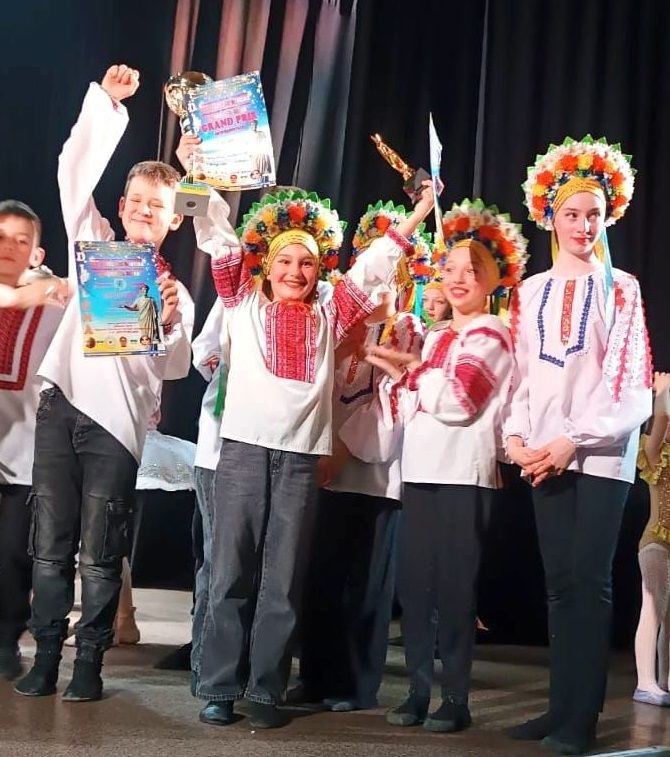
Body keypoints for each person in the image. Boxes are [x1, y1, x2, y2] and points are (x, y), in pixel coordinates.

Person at [186, 172, 434, 729]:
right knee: (230, 572)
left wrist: (419, 213)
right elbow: (218, 235)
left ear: (319, 271)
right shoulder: (242, 303)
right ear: (266, 267)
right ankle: (220, 687)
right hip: (243, 453)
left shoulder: (331, 315)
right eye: (284, 261)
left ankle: (265, 690)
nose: (295, 271)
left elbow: (376, 262)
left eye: (306, 263)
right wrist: (198, 170)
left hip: (299, 459)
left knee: (283, 580)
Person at [15, 64, 194, 703]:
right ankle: (45, 659)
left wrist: (168, 324)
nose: (145, 211)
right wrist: (108, 107)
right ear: (121, 208)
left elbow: (175, 368)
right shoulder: (91, 245)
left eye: (158, 206)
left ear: (173, 220)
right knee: (49, 547)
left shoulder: (175, 292)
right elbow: (72, 172)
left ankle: (89, 663)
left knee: (100, 550)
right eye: (137, 201)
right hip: (60, 407)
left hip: (116, 427)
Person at [342, 197, 528, 734]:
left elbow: (460, 400)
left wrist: (413, 372)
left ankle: (456, 698)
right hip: (421, 471)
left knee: (454, 590)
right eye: (451, 269)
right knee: (414, 587)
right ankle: (418, 692)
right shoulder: (440, 334)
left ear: (491, 280)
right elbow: (419, 398)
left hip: (463, 476)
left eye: (472, 270)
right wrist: (397, 368)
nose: (458, 278)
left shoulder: (491, 333)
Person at [504, 136, 652, 755]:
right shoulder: (530, 291)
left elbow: (629, 384)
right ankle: (560, 706)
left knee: (589, 581)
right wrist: (516, 437)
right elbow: (521, 376)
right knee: (559, 583)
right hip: (544, 453)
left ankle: (580, 721)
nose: (584, 226)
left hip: (600, 455)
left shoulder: (622, 288)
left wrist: (573, 440)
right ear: (551, 217)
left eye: (594, 214)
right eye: (572, 214)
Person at [298, 201, 429, 712]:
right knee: (320, 576)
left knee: (364, 583)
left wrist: (342, 451)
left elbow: (394, 399)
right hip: (323, 466)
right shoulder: (336, 322)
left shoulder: (408, 330)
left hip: (372, 475)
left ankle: (355, 684)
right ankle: (314, 676)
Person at [0, 201, 68, 680]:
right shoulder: (37, 294)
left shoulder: (54, 307)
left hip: (24, 454)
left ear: (37, 252)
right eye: (1, 237)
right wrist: (35, 291)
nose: (9, 247)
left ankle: (5, 641)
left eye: (21, 240)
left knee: (11, 556)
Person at [633, 371, 670, 706]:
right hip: (657, 543)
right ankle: (645, 682)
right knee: (655, 607)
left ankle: (664, 680)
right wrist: (662, 394)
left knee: (665, 614)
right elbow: (660, 423)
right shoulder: (656, 454)